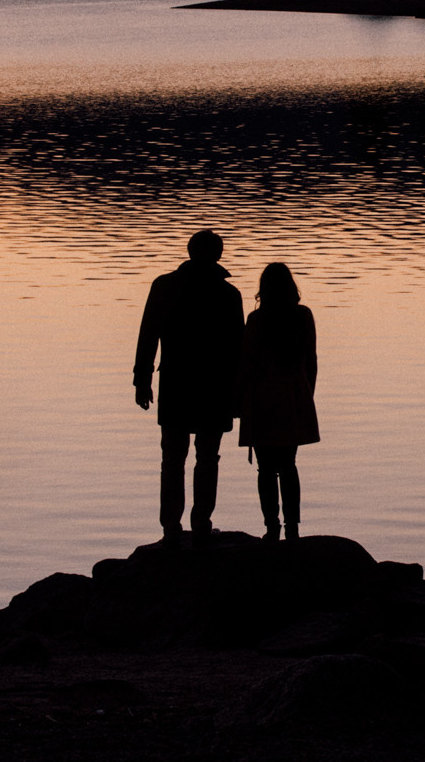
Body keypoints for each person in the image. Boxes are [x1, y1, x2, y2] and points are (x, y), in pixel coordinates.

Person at [133, 229, 243, 545]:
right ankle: (200, 524)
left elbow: (147, 336)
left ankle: (172, 526)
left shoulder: (165, 286)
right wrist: (238, 394)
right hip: (214, 387)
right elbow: (238, 348)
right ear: (218, 255)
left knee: (173, 457)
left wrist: (142, 379)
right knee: (207, 457)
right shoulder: (228, 294)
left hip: (177, 384)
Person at [237, 262, 319, 541]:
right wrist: (308, 394)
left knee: (266, 468)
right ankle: (293, 527)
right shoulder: (303, 316)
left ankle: (272, 527)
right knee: (288, 464)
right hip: (293, 395)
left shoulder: (257, 320)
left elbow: (246, 364)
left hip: (262, 398)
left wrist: (239, 400)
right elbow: (312, 361)